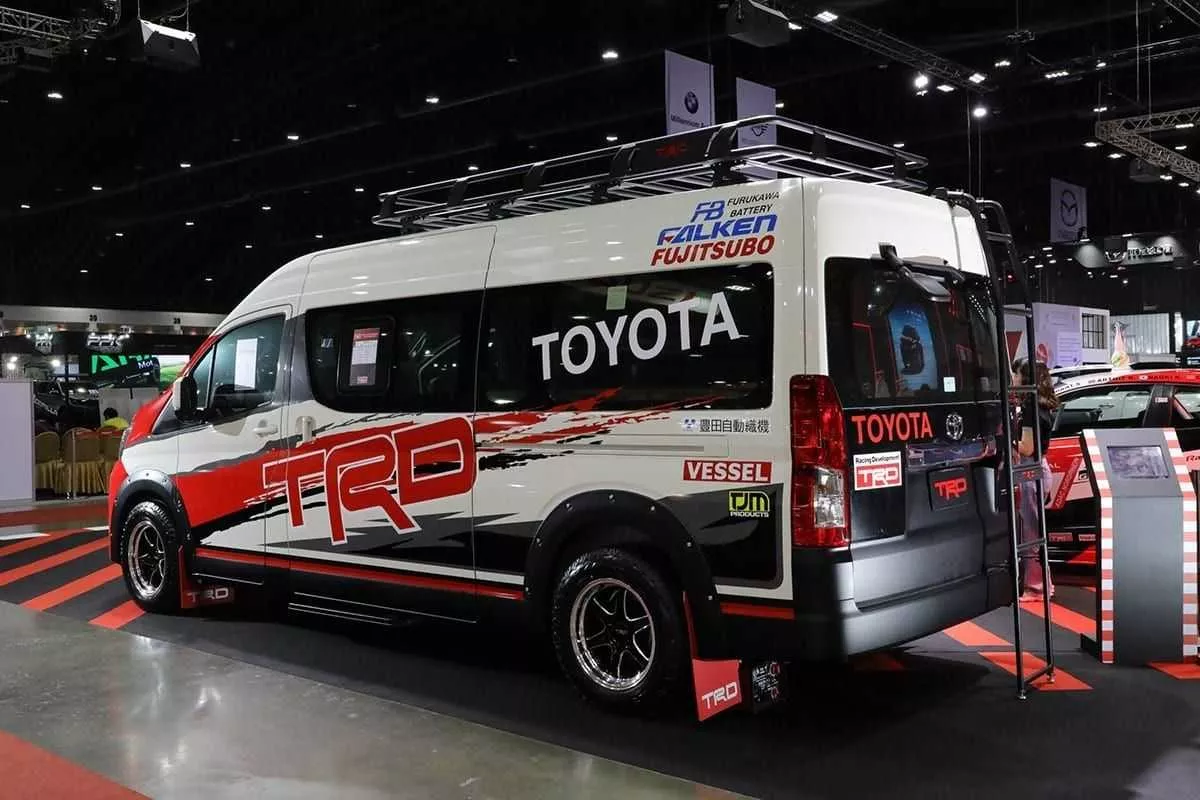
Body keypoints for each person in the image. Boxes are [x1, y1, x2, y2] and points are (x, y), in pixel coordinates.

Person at [1011, 358, 1058, 600]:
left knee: (1031, 533)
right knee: (1034, 530)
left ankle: (1037, 587)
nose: (1014, 379)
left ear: (1026, 379)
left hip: (1030, 472)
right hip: (1038, 470)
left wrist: (1008, 442)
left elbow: (1027, 448)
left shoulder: (1031, 408)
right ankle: (1040, 583)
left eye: (1016, 374)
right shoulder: (1042, 405)